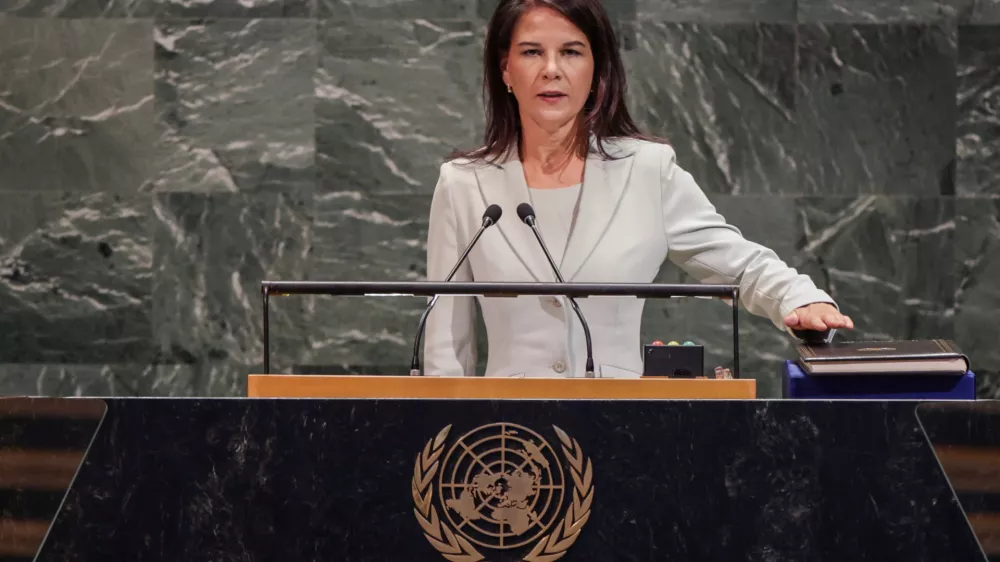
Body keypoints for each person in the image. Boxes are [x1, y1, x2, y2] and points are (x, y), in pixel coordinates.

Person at [422, 0, 853, 378]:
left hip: (625, 430)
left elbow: (738, 264)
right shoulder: (464, 182)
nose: (551, 69)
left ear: (596, 70)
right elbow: (445, 341)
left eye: (571, 52)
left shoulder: (647, 170)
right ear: (505, 70)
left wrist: (800, 299)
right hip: (509, 440)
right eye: (532, 52)